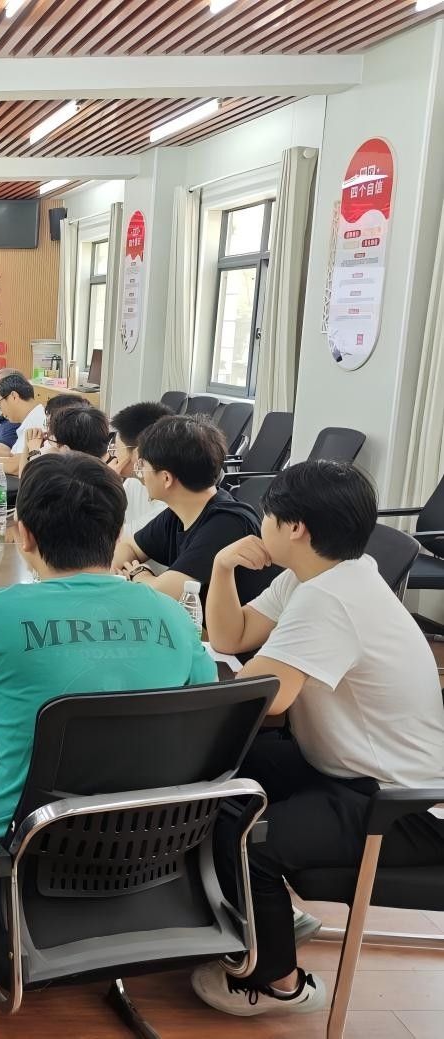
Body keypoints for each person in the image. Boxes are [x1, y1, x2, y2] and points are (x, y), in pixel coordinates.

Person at [0, 453, 216, 1034]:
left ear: (24, 533)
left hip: (24, 864)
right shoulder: (172, 615)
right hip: (156, 854)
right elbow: (201, 703)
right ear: (118, 533)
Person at [193, 460, 444, 1017]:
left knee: (247, 836)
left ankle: (277, 981)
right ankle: (262, 914)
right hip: (346, 767)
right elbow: (231, 636)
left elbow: (264, 697)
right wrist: (222, 567)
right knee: (219, 767)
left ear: (294, 528)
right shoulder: (325, 575)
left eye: (267, 515)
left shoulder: (329, 598)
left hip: (402, 804)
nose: (261, 523)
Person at [111, 415, 279, 606]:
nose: (140, 474)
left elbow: (163, 595)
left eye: (143, 466)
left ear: (166, 478)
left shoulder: (226, 524)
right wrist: (131, 574)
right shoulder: (180, 512)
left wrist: (138, 574)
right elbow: (129, 547)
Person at [109, 401, 173, 536]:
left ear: (137, 453)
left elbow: (113, 537)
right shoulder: (134, 481)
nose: (114, 454)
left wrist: (103, 488)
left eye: (117, 448)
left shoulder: (168, 505)